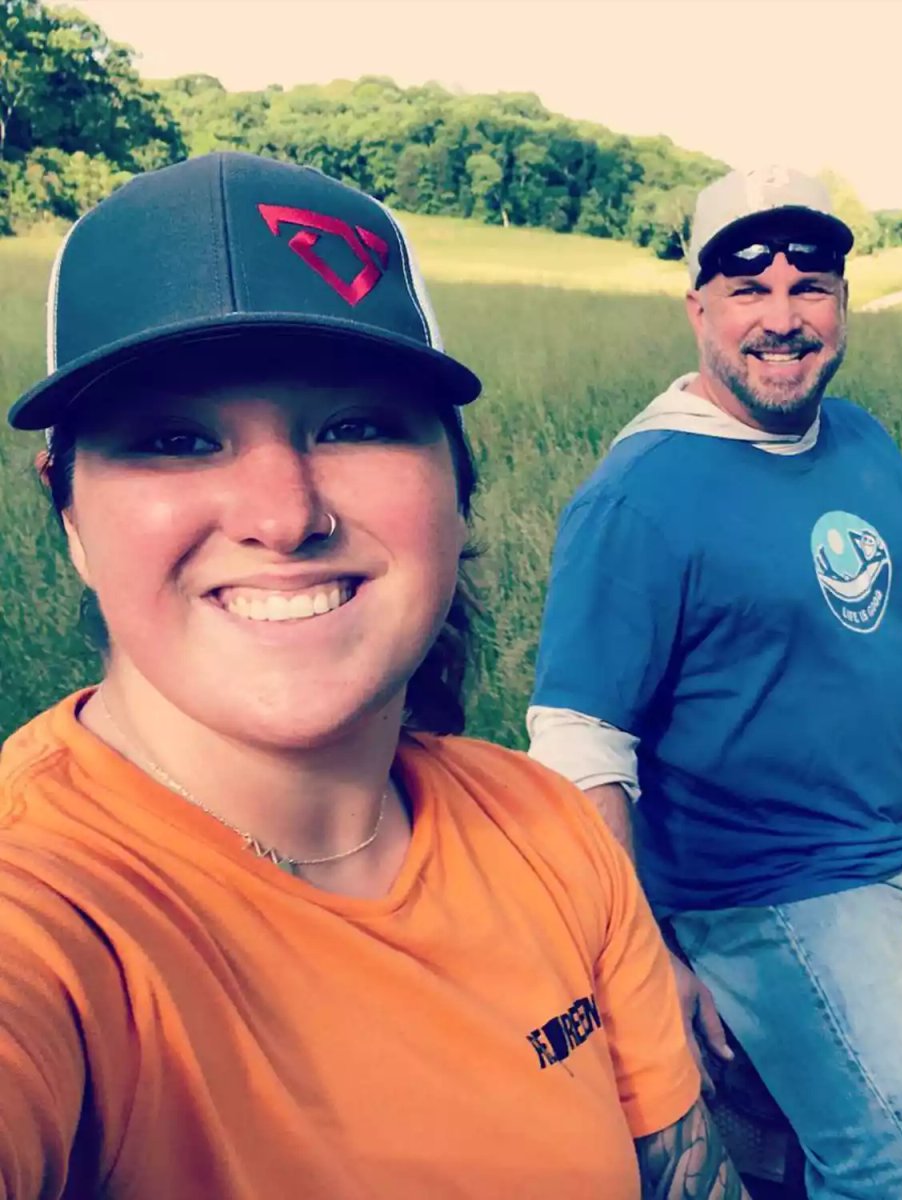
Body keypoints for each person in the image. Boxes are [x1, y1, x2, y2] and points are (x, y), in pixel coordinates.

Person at [0, 152, 747, 1200]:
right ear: (70, 513)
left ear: (457, 483)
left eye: (354, 425)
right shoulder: (46, 908)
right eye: (175, 440)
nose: (284, 516)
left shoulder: (549, 830)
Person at [527, 164, 902, 1200]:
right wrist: (643, 958)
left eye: (808, 286)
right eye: (749, 289)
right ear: (699, 309)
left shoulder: (857, 438)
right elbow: (580, 746)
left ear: (841, 303)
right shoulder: (640, 495)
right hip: (775, 897)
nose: (782, 318)